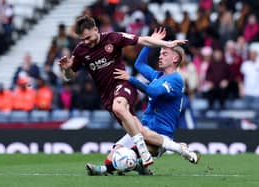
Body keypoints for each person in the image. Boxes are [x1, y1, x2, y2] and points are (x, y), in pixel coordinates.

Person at [58, 16, 188, 166]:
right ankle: (164, 154)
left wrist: (167, 43)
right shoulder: (80, 50)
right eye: (83, 39)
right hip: (107, 96)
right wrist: (66, 69)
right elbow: (69, 77)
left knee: (119, 108)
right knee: (113, 157)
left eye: (88, 37)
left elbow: (142, 40)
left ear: (95, 29)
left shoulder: (113, 38)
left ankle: (144, 152)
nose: (86, 42)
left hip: (123, 84)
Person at [85, 31, 199, 176]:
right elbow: (139, 64)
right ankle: (141, 166)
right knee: (113, 156)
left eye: (164, 53)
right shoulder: (158, 76)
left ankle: (104, 170)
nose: (160, 56)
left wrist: (131, 79)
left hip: (160, 134)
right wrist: (150, 42)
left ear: (175, 58)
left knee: (129, 156)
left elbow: (154, 92)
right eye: (160, 53)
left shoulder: (176, 80)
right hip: (142, 128)